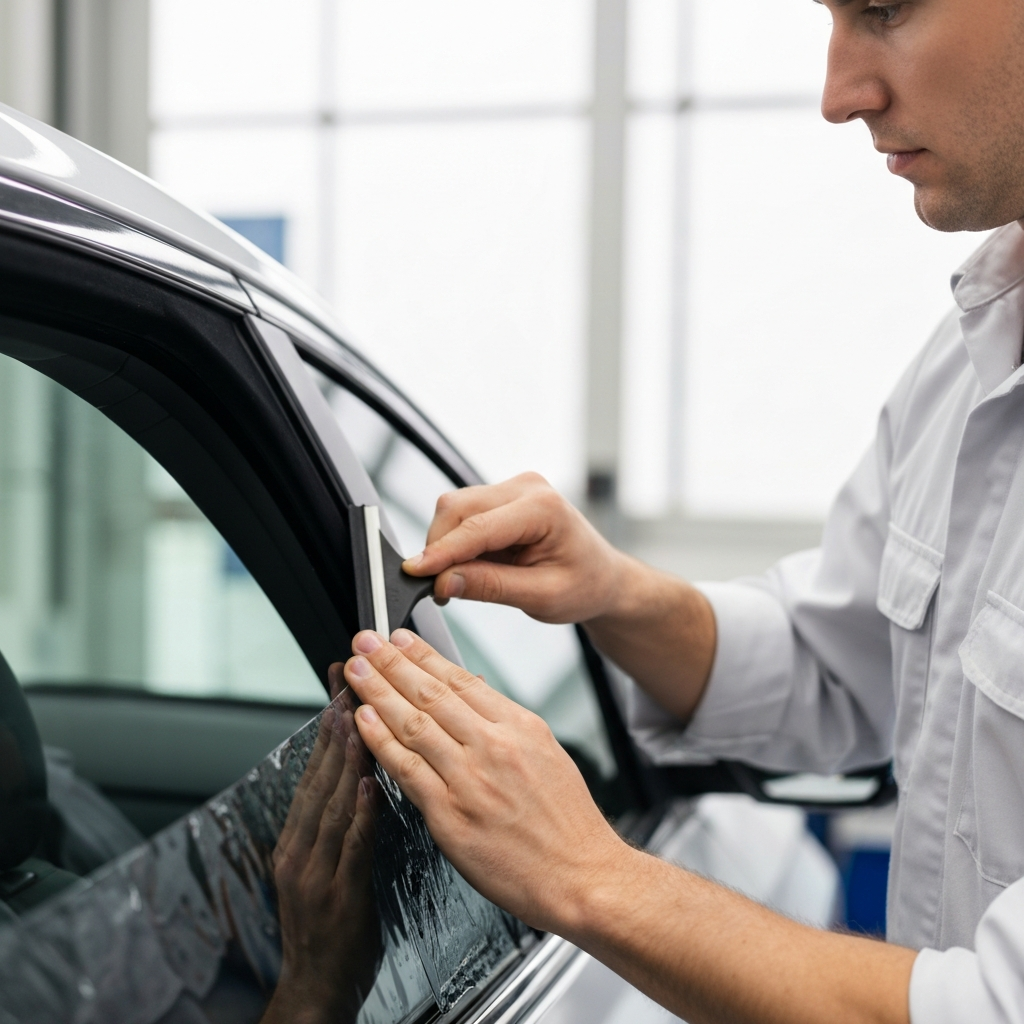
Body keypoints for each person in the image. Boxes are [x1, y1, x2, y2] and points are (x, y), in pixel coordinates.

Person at [333, 1, 1024, 1022]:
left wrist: (586, 875)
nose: (839, 95)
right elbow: (830, 662)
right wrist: (611, 592)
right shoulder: (966, 367)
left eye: (884, 8)